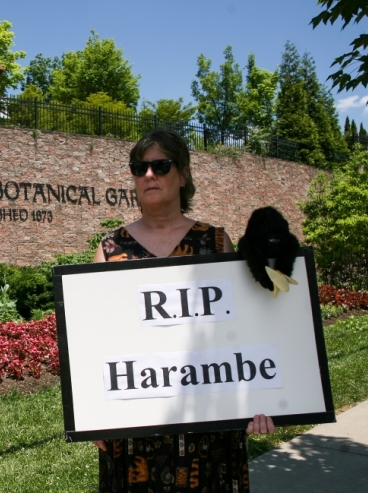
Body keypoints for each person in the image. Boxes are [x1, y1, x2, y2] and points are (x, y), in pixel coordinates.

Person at [92, 129, 275, 493]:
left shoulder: (216, 243)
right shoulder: (110, 249)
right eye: (139, 167)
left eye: (161, 166)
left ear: (184, 174)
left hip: (208, 427)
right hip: (136, 428)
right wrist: (94, 414)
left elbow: (248, 327)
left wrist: (261, 400)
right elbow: (95, 340)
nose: (149, 175)